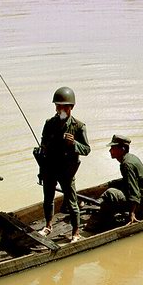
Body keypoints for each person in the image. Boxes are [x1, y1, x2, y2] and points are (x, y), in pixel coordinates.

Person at [37, 87, 91, 242]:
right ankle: (48, 226)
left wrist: (73, 143)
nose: (59, 109)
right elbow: (43, 147)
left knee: (72, 202)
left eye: (62, 106)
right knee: (48, 199)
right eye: (57, 106)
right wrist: (41, 170)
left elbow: (87, 149)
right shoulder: (49, 124)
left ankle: (75, 232)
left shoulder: (78, 127)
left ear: (70, 107)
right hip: (50, 168)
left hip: (67, 170)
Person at [99, 135, 143, 225]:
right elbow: (129, 181)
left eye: (113, 148)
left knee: (110, 193)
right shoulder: (130, 157)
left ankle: (103, 219)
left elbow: (133, 189)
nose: (110, 150)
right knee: (113, 185)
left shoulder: (127, 164)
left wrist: (132, 213)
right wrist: (111, 183)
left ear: (123, 149)